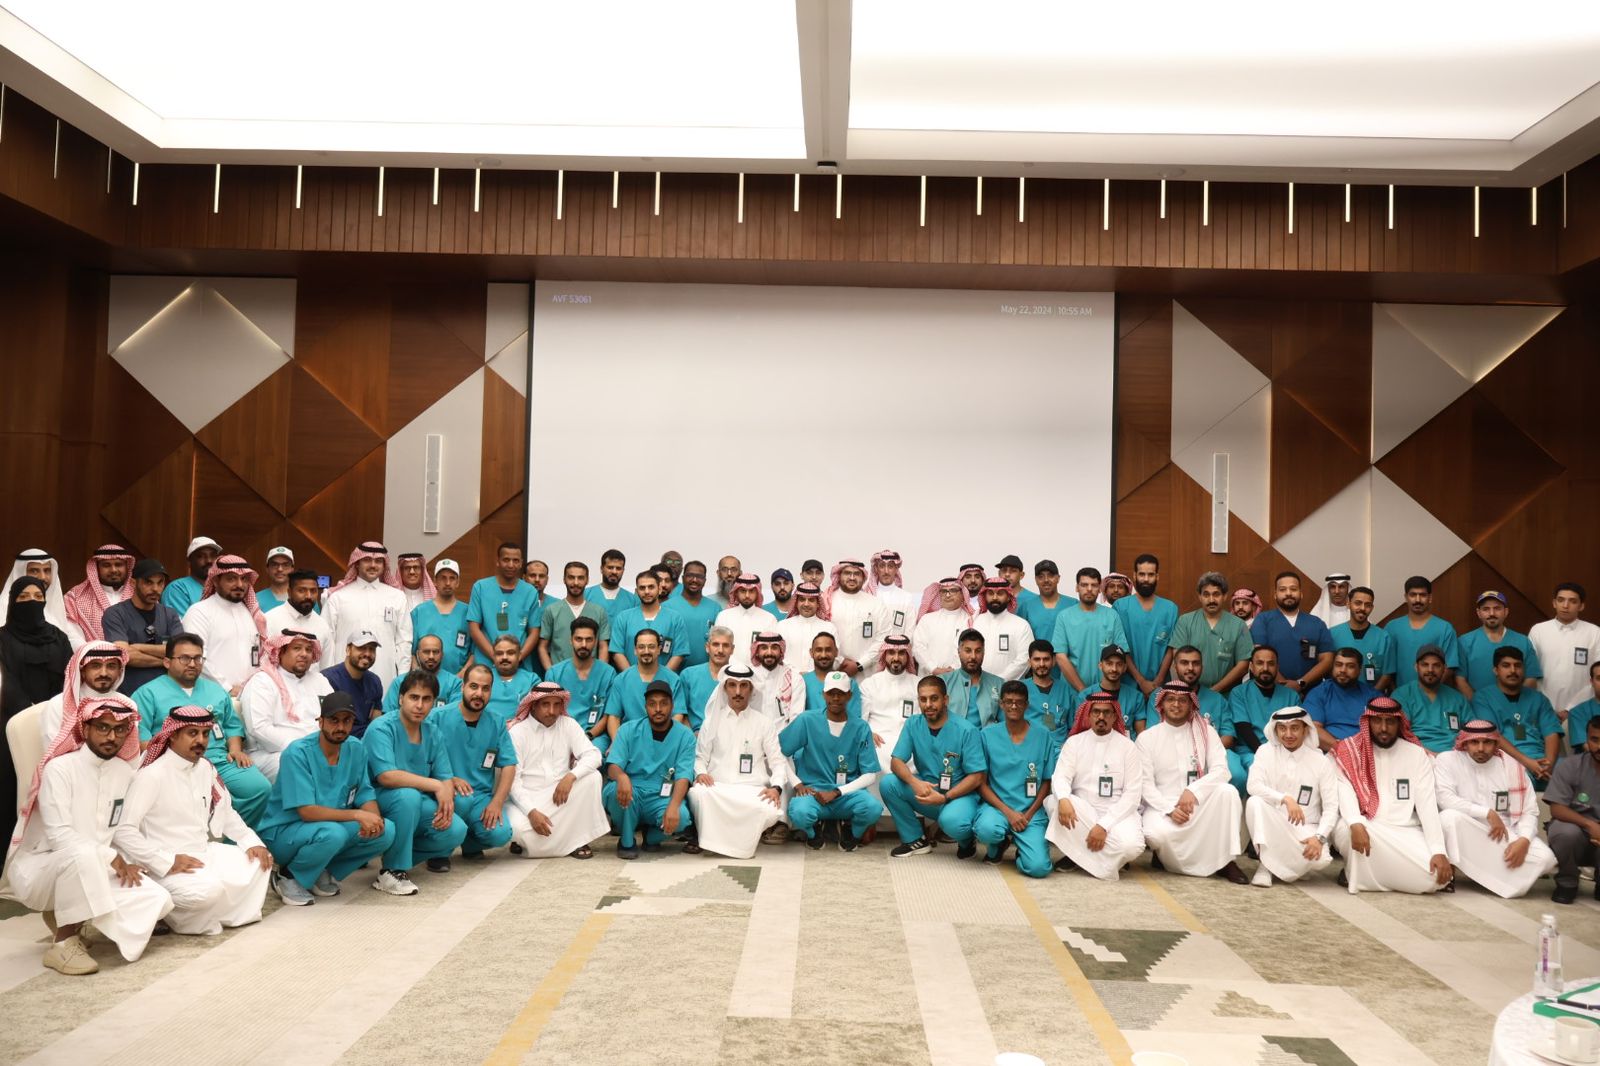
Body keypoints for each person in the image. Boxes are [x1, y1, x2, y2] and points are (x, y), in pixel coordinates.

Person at [0, 694, 172, 974]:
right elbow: (59, 837)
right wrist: (111, 857)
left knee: (157, 897)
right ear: (86, 728)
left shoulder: (123, 772)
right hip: (41, 869)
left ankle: (69, 915)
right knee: (82, 855)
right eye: (103, 727)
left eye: (120, 729)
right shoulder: (59, 769)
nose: (111, 737)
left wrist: (135, 861)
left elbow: (119, 829)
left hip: (97, 865)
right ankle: (63, 943)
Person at [114, 705, 274, 934]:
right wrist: (166, 861)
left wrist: (251, 842)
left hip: (202, 854)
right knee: (209, 891)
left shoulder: (205, 767)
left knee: (260, 861)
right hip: (164, 864)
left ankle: (211, 912)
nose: (201, 740)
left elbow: (226, 812)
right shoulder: (152, 775)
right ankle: (168, 909)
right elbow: (123, 830)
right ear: (173, 735)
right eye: (192, 733)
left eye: (205, 734)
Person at [254, 691, 396, 906]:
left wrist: (374, 820)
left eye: (347, 721)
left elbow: (364, 792)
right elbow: (307, 811)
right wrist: (358, 815)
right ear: (320, 722)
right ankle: (288, 876)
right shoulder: (297, 753)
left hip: (327, 829)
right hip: (284, 832)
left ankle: (320, 869)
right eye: (333, 720)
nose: (340, 727)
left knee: (386, 830)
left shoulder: (356, 748)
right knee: (334, 833)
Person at [133, 633, 271, 826]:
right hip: (175, 762)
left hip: (220, 760)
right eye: (184, 658)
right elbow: (142, 735)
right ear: (167, 662)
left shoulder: (215, 690)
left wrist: (235, 750)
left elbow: (232, 725)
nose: (192, 664)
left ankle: (233, 839)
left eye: (198, 658)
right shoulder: (147, 693)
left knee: (259, 788)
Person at [1331, 697, 1452, 894]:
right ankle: (1368, 873)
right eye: (1377, 721)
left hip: (1405, 830)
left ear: (1399, 722)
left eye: (1390, 722)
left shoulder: (1416, 755)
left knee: (1435, 878)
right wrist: (1355, 822)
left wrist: (1438, 850)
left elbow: (1427, 806)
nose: (1383, 728)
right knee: (1347, 831)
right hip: (1366, 826)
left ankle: (1360, 876)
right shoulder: (1350, 751)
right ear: (1368, 721)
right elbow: (1345, 792)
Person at [364, 670, 468, 886]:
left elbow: (445, 776)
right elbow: (386, 777)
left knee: (456, 830)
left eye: (426, 699)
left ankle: (399, 853)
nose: (420, 705)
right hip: (377, 798)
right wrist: (436, 785)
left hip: (413, 802)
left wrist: (446, 802)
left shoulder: (433, 732)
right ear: (401, 698)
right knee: (408, 796)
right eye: (414, 697)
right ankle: (392, 870)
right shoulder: (381, 728)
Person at [1138, 681, 1248, 883]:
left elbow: (1222, 771)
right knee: (1156, 834)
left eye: (1182, 700)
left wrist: (1194, 791)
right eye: (1171, 699)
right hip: (1162, 806)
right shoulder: (1147, 738)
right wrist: (1169, 809)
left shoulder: (1207, 732)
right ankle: (1163, 856)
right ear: (1162, 704)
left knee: (1228, 792)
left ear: (1191, 705)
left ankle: (1226, 861)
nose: (1176, 704)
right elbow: (1145, 785)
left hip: (1198, 804)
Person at [1435, 719, 1556, 899]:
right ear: (1465, 742)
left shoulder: (1513, 768)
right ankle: (1486, 875)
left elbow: (1529, 811)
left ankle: (1486, 876)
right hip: (1468, 830)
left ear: (1496, 743)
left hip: (1504, 835)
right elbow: (1445, 799)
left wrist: (1524, 840)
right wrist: (1487, 813)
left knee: (1546, 858)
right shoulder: (1448, 760)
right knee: (1448, 817)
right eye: (1474, 742)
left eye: (1487, 742)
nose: (1481, 748)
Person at [883, 669, 989, 860]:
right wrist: (915, 783)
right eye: (923, 699)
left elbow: (977, 777)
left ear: (945, 700)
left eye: (934, 698)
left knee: (953, 822)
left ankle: (967, 841)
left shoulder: (966, 730)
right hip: (928, 790)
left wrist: (945, 797)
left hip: (959, 796)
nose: (928, 705)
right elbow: (896, 761)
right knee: (888, 784)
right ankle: (915, 839)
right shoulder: (913, 724)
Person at [687, 666, 789, 857]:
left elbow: (777, 762)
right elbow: (700, 757)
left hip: (752, 789)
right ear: (725, 688)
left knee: (769, 807)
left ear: (752, 689)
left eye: (744, 686)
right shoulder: (711, 721)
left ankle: (733, 845)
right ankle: (710, 841)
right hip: (718, 788)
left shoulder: (764, 723)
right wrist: (701, 773)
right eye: (732, 685)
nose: (738, 691)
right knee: (698, 793)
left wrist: (776, 788)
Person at [0, 576, 74, 837]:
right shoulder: (2, 638)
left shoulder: (58, 638)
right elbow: (4, 679)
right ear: (13, 602)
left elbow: (70, 676)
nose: (31, 602)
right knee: (11, 782)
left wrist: (53, 711)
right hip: (10, 720)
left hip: (56, 721)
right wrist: (28, 711)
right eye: (23, 597)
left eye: (37, 597)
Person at [1046, 693, 1145, 879]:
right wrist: (1064, 799)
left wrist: (1103, 826)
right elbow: (1061, 777)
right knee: (1054, 802)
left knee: (1132, 846)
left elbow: (1132, 795)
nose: (1101, 717)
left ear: (1114, 716)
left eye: (1106, 713)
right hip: (1083, 811)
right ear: (1088, 715)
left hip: (1116, 812)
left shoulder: (1128, 747)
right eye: (1096, 712)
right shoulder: (1074, 743)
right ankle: (1094, 857)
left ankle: (1082, 856)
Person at [779, 672, 882, 851]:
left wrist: (837, 792)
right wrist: (797, 784)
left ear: (849, 695)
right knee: (799, 811)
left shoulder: (861, 727)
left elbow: (870, 775)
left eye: (841, 693)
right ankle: (813, 833)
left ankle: (852, 832)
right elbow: (778, 752)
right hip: (814, 792)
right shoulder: (807, 720)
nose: (835, 698)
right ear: (823, 694)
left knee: (873, 808)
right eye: (831, 693)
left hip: (847, 794)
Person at [506, 682, 609, 859]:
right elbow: (513, 782)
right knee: (516, 828)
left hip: (560, 796)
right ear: (533, 705)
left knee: (592, 777)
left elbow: (594, 755)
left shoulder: (568, 724)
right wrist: (531, 812)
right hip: (528, 798)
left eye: (557, 705)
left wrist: (570, 776)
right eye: (545, 704)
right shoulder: (518, 732)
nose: (552, 711)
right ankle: (532, 840)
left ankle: (577, 840)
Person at [1244, 707, 1336, 886]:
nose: (1288, 734)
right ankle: (1266, 867)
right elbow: (1253, 785)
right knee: (1255, 803)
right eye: (1282, 728)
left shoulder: (1321, 761)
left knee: (1322, 859)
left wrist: (1319, 838)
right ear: (1275, 730)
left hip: (1306, 829)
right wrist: (1285, 798)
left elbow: (1331, 807)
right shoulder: (1265, 752)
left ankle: (1290, 866)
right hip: (1273, 824)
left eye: (1294, 728)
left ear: (1305, 730)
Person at [432, 666, 517, 860]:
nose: (479, 693)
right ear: (463, 687)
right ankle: (439, 852)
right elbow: (424, 759)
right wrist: (449, 778)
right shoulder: (437, 717)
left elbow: (509, 765)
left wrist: (497, 802)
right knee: (462, 800)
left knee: (501, 833)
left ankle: (470, 843)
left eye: (485, 688)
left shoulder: (496, 722)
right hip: (446, 791)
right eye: (473, 686)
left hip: (480, 797)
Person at [604, 680, 695, 858]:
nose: (658, 709)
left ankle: (652, 837)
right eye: (652, 704)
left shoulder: (685, 736)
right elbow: (613, 765)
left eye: (663, 703)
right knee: (615, 791)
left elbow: (684, 776)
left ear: (672, 706)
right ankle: (626, 840)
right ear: (645, 706)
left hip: (662, 797)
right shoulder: (628, 730)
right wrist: (622, 777)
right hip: (632, 790)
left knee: (682, 817)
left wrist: (674, 805)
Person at [974, 681, 1056, 876]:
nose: (1013, 706)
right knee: (987, 830)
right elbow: (980, 783)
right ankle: (998, 844)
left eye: (1019, 702)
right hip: (998, 808)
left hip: (1030, 812)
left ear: (1027, 705)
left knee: (1039, 868)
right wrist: (1008, 813)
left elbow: (1046, 782)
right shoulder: (987, 735)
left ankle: (1024, 850)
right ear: (1001, 704)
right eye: (1009, 701)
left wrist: (1028, 814)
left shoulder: (1043, 735)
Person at [239, 629, 333, 781]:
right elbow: (259, 728)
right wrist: (302, 748)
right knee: (298, 765)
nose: (304, 654)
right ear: (280, 652)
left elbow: (333, 718)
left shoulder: (320, 681)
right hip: (272, 753)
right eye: (297, 648)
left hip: (320, 749)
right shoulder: (262, 681)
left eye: (309, 650)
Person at [1470, 646, 1562, 789]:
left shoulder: (1538, 699)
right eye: (1506, 665)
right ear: (1496, 670)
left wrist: (1548, 764)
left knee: (1575, 773)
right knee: (1521, 779)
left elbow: (1551, 733)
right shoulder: (1483, 698)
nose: (1513, 670)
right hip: (1506, 760)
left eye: (1518, 665)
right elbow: (1492, 735)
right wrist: (1529, 763)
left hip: (1542, 760)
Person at [321, 542, 412, 686]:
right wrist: (326, 678)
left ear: (384, 565)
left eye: (378, 561)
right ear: (357, 563)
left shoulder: (397, 597)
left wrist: (402, 678)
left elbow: (404, 641)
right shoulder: (338, 597)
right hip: (343, 677)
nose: (373, 565)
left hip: (385, 675)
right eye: (367, 560)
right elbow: (326, 640)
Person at [182, 555, 269, 698]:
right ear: (216, 581)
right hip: (211, 697)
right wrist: (227, 688)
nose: (239, 585)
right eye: (231, 579)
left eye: (244, 579)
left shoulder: (252, 615)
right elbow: (197, 657)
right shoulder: (199, 612)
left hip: (249, 696)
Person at [102, 559, 183, 693]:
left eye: (160, 582)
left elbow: (180, 651)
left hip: (168, 690)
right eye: (148, 582)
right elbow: (125, 655)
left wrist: (138, 647)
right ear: (133, 583)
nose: (155, 589)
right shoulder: (115, 614)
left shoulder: (170, 614)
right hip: (130, 691)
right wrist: (167, 661)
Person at [1166, 572, 1253, 694]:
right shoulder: (1185, 621)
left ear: (1225, 596)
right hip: (1190, 694)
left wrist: (1214, 691)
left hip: (1226, 696)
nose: (1211, 600)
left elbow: (1243, 665)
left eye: (1216, 594)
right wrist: (1193, 692)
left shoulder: (1239, 625)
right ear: (1200, 597)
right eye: (1206, 595)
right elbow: (1179, 659)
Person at [1250, 571, 1334, 693]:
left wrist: (1301, 683)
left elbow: (1327, 660)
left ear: (1301, 594)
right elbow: (1259, 656)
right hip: (1271, 692)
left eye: (1293, 589)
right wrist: (1285, 688)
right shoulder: (1263, 620)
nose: (1288, 593)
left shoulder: (1317, 623)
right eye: (1282, 589)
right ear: (1275, 595)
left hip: (1310, 693)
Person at [1545, 717, 1600, 903]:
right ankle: (1567, 883)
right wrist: (1590, 825)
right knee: (1564, 832)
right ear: (1587, 739)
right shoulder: (1570, 765)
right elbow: (1557, 808)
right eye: (1594, 740)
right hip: (1577, 832)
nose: (1599, 746)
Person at [1529, 582, 1600, 725]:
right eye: (1561, 600)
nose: (1565, 605)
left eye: (1572, 601)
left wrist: (1571, 709)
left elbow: (1597, 676)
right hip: (1542, 709)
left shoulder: (1594, 633)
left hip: (1582, 711)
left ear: (1581, 606)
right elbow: (1531, 673)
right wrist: (1546, 707)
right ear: (1554, 603)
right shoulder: (1538, 630)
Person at [35, 641, 127, 751]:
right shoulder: (58, 705)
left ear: (119, 671)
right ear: (82, 671)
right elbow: (54, 751)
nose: (104, 673)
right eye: (95, 666)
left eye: (111, 666)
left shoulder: (127, 704)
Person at [468, 542, 540, 674]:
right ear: (498, 561)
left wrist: (518, 657)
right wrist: (495, 656)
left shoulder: (530, 592)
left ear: (521, 563)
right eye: (506, 560)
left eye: (516, 560)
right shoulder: (481, 587)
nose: (511, 565)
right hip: (486, 664)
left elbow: (534, 632)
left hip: (519, 665)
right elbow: (474, 628)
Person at [1052, 568, 1129, 691]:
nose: (1089, 589)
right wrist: (1083, 691)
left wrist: (1100, 692)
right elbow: (1061, 657)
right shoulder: (1064, 617)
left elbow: (1121, 654)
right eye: (1084, 585)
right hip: (1072, 692)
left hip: (1106, 692)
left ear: (1099, 589)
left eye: (1094, 585)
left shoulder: (1112, 616)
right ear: (1077, 588)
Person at [545, 618, 617, 751]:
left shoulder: (608, 673)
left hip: (595, 736)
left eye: (589, 639)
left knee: (594, 755)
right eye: (579, 639)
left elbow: (608, 715)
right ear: (571, 640)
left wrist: (588, 736)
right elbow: (549, 712)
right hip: (561, 734)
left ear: (595, 641)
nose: (584, 644)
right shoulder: (555, 673)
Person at [1456, 590, 1542, 700]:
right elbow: (1460, 680)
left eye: (1497, 608)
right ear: (1479, 613)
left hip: (1515, 707)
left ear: (1506, 612)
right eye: (1486, 609)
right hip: (1477, 707)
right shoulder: (1465, 641)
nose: (1492, 613)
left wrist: (1514, 704)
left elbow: (1531, 678)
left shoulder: (1523, 641)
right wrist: (1478, 705)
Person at [1114, 554, 1179, 696]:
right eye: (1142, 574)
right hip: (1128, 684)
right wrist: (1141, 681)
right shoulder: (1120, 607)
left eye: (1150, 575)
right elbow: (1120, 648)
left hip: (1160, 685)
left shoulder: (1170, 609)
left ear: (1157, 576)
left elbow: (1171, 648)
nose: (1146, 579)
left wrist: (1158, 681)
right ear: (1134, 575)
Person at [1227, 646, 1297, 774]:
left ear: (1277, 667)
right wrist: (1267, 756)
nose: (1265, 668)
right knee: (1262, 770)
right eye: (1260, 663)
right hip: (1251, 752)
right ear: (1251, 666)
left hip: (1285, 752)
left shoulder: (1291, 696)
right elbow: (1244, 730)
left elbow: (1297, 730)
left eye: (1271, 664)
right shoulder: (1239, 693)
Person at [1382, 576, 1460, 690]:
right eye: (1413, 595)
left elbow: (1450, 666)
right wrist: (1397, 694)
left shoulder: (1445, 628)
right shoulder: (1392, 627)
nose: (1417, 600)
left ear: (1430, 598)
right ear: (1406, 597)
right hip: (1399, 695)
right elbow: (1387, 667)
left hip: (1434, 694)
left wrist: (1428, 691)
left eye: (1423, 595)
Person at [860, 636, 918, 788]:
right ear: (884, 655)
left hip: (910, 741)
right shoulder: (870, 684)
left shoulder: (918, 683)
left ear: (908, 656)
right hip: (879, 741)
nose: (896, 658)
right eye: (891, 652)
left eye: (901, 653)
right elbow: (861, 720)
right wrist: (868, 733)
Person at [603, 630, 683, 736]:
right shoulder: (621, 680)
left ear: (659, 649)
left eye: (651, 647)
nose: (646, 651)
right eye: (641, 647)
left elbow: (677, 716)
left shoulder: (673, 679)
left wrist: (667, 741)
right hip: (629, 739)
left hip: (663, 738)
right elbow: (614, 717)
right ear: (635, 650)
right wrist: (618, 742)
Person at [1392, 644, 1470, 754]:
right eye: (1425, 665)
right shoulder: (1402, 695)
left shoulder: (1457, 698)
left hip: (1454, 755)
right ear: (1416, 667)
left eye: (1436, 665)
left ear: (1444, 668)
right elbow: (1401, 734)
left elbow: (1472, 731)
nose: (1430, 670)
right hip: (1415, 754)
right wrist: (1431, 755)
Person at [1303, 647, 1381, 751]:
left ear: (1360, 670)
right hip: (1331, 752)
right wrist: (1344, 750)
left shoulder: (1372, 695)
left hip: (1367, 750)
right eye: (1338, 665)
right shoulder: (1318, 693)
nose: (1343, 670)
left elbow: (1382, 729)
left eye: (1350, 666)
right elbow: (1313, 729)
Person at [0, 549, 84, 645]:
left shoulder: (56, 606)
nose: (42, 577)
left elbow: (72, 638)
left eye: (47, 570)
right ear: (20, 572)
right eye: (34, 571)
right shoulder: (2, 609)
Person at [538, 561, 611, 670]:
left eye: (580, 578)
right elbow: (542, 647)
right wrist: (552, 674)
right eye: (571, 577)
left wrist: (599, 674)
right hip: (560, 675)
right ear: (564, 579)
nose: (576, 583)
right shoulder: (552, 610)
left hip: (591, 674)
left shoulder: (599, 611)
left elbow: (603, 647)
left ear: (587, 580)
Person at [612, 570, 689, 672]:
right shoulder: (623, 618)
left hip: (664, 680)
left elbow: (679, 653)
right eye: (642, 588)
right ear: (637, 591)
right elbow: (617, 652)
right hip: (630, 678)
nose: (647, 591)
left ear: (659, 589)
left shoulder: (675, 618)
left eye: (651, 587)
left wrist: (662, 677)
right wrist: (632, 677)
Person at [824, 560, 887, 677]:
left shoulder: (876, 604)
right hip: (833, 670)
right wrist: (840, 661)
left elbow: (883, 638)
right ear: (839, 575)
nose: (852, 578)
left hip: (867, 673)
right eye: (847, 573)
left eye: (857, 574)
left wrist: (860, 664)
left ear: (863, 578)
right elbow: (821, 636)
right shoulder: (827, 601)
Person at [63, 544, 136, 643]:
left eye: (118, 564)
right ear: (96, 568)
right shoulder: (75, 596)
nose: (113, 570)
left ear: (127, 566)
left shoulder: (139, 594)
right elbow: (72, 634)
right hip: (91, 652)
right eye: (106, 565)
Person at [1328, 586, 1396, 692]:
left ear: (1372, 608)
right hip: (1338, 696)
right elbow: (1327, 669)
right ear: (1348, 603)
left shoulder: (1383, 637)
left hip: (1373, 697)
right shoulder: (1332, 634)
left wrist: (1371, 697)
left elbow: (1387, 674)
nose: (1363, 608)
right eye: (1358, 603)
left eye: (1367, 605)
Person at [411, 559, 470, 677]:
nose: (447, 583)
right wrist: (419, 675)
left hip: (459, 680)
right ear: (435, 581)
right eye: (443, 578)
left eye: (452, 578)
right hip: (425, 680)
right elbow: (410, 652)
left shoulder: (468, 612)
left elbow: (474, 652)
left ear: (458, 582)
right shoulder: (419, 612)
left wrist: (462, 675)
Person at [381, 635, 463, 718]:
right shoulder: (400, 681)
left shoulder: (455, 684)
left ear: (442, 654)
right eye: (426, 652)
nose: (431, 656)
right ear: (417, 654)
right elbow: (387, 716)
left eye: (435, 652)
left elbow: (455, 716)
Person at [321, 631, 384, 737]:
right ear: (348, 650)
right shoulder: (327, 679)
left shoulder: (374, 681)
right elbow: (325, 725)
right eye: (361, 648)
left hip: (367, 739)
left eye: (372, 649)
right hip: (338, 739)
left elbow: (376, 723)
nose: (367, 654)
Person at [1072, 644, 1145, 735]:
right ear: (1100, 665)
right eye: (1109, 664)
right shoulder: (1085, 696)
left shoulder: (1136, 697)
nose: (1114, 669)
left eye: (1119, 664)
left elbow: (1141, 735)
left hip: (1126, 743)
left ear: (1125, 668)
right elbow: (1080, 732)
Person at [972, 578, 1033, 681]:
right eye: (990, 593)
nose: (995, 597)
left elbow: (1024, 659)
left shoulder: (1021, 625)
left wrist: (999, 681)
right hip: (976, 683)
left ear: (1008, 597)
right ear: (984, 596)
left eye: (1000, 593)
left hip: (1009, 687)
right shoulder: (975, 622)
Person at [665, 560, 721, 671]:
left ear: (705, 581)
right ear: (683, 578)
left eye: (699, 576)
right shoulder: (667, 607)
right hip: (673, 671)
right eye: (690, 575)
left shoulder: (715, 608)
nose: (694, 580)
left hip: (706, 672)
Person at [941, 629, 1004, 726]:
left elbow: (1005, 723)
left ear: (984, 652)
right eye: (968, 651)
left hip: (987, 735)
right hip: (953, 735)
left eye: (978, 651)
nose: (973, 656)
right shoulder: (944, 682)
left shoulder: (998, 683)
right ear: (959, 652)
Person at [679, 626, 734, 732]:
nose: (720, 650)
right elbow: (680, 714)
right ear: (707, 647)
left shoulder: (738, 678)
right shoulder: (688, 675)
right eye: (715, 644)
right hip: (695, 736)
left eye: (726, 645)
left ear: (732, 649)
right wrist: (692, 737)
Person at [263, 569, 332, 652]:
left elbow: (327, 660)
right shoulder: (269, 620)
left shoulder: (323, 625)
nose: (308, 596)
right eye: (301, 591)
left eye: (313, 591)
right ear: (289, 592)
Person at [912, 577, 971, 675]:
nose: (947, 595)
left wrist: (954, 669)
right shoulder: (927, 619)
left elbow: (969, 649)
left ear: (962, 594)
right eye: (944, 591)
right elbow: (918, 647)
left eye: (953, 590)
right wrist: (933, 669)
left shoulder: (969, 621)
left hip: (958, 676)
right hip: (929, 677)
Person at [751, 630, 807, 725]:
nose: (769, 653)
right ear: (757, 651)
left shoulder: (794, 678)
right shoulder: (749, 677)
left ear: (781, 651)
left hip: (785, 733)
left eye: (774, 648)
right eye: (764, 648)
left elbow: (796, 718)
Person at [715, 573, 772, 665]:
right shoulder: (724, 616)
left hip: (758, 672)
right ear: (736, 592)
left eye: (751, 591)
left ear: (757, 593)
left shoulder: (769, 619)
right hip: (728, 670)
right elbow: (717, 648)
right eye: (743, 591)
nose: (747, 595)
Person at [802, 632, 862, 718]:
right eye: (819, 650)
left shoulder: (850, 684)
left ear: (836, 652)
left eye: (828, 650)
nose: (823, 655)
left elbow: (854, 719)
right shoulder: (802, 682)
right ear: (811, 653)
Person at [1022, 640, 1074, 737]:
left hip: (1061, 744)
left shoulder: (1065, 690)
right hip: (1031, 743)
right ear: (1029, 662)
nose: (1042, 664)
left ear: (1053, 661)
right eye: (1037, 659)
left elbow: (1073, 726)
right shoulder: (1020, 689)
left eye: (1046, 659)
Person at [160, 537, 220, 617]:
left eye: (213, 556)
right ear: (189, 561)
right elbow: (182, 624)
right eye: (201, 556)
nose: (209, 560)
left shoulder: (222, 588)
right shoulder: (178, 588)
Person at [776, 581, 836, 658]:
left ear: (818, 604)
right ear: (796, 602)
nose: (806, 604)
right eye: (802, 599)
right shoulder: (782, 626)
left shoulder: (829, 628)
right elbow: (777, 656)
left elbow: (835, 657)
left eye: (811, 600)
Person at [485, 635, 538, 719]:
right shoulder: (483, 677)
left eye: (510, 653)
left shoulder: (532, 680)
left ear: (519, 655)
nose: (504, 657)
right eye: (499, 653)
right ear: (494, 656)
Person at [1018, 560, 1071, 645]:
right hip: (1036, 653)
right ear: (1036, 580)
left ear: (1058, 578)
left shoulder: (1072, 604)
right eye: (1041, 577)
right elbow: (1020, 636)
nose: (1046, 580)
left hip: (1065, 654)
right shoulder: (1026, 606)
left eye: (1050, 575)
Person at [868, 549, 916, 636]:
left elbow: (910, 632)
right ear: (876, 569)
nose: (886, 571)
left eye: (890, 566)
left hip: (899, 644)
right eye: (882, 566)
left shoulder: (906, 598)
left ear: (896, 569)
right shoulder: (868, 595)